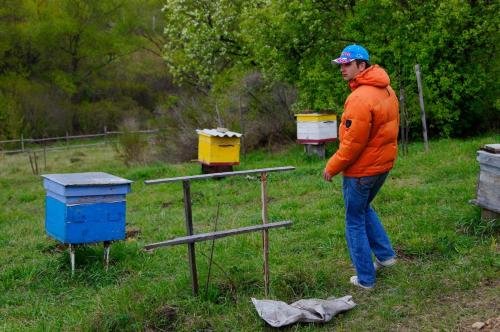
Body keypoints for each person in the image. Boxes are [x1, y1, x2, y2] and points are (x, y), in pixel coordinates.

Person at [323, 44, 399, 289]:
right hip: (382, 166)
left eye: (347, 64)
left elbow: (352, 143)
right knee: (364, 208)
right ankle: (386, 257)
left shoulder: (359, 97)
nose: (342, 69)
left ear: (362, 65)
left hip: (361, 170)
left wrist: (332, 166)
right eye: (341, 64)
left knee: (353, 219)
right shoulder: (386, 89)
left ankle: (366, 279)